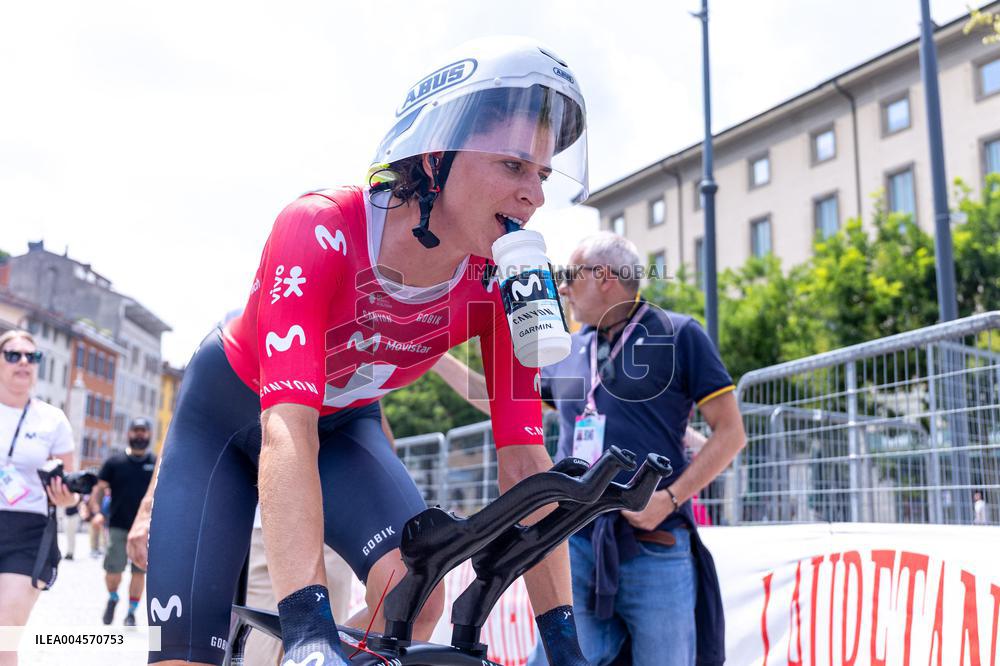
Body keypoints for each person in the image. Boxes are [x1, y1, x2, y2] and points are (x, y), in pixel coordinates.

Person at [137, 35, 591, 666]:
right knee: (186, 658)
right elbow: (286, 428)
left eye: (541, 175)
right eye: (514, 166)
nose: (534, 195)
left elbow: (526, 460)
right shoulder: (320, 226)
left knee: (414, 599)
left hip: (342, 424)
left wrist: (564, 644)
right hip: (228, 417)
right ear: (435, 159)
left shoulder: (502, 281)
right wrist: (306, 627)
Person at [527, 233, 746, 666]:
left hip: (654, 542)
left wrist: (668, 499)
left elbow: (731, 434)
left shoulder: (680, 333)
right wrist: (433, 353)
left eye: (570, 276)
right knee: (558, 661)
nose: (563, 288)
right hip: (577, 540)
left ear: (604, 277)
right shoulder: (572, 350)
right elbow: (498, 397)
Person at [0, 330, 79, 666]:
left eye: (31, 357)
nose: (23, 362)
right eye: (13, 355)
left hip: (29, 533)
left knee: (4, 635)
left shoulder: (52, 419)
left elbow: (72, 492)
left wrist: (66, 498)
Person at [88, 417, 157, 627]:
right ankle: (113, 598)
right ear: (128, 433)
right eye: (135, 430)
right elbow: (99, 489)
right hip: (117, 526)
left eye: (143, 431)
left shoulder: (155, 464)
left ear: (149, 435)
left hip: (146, 529)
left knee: (139, 572)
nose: (139, 435)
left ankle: (131, 613)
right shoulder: (114, 462)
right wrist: (97, 512)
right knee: (113, 570)